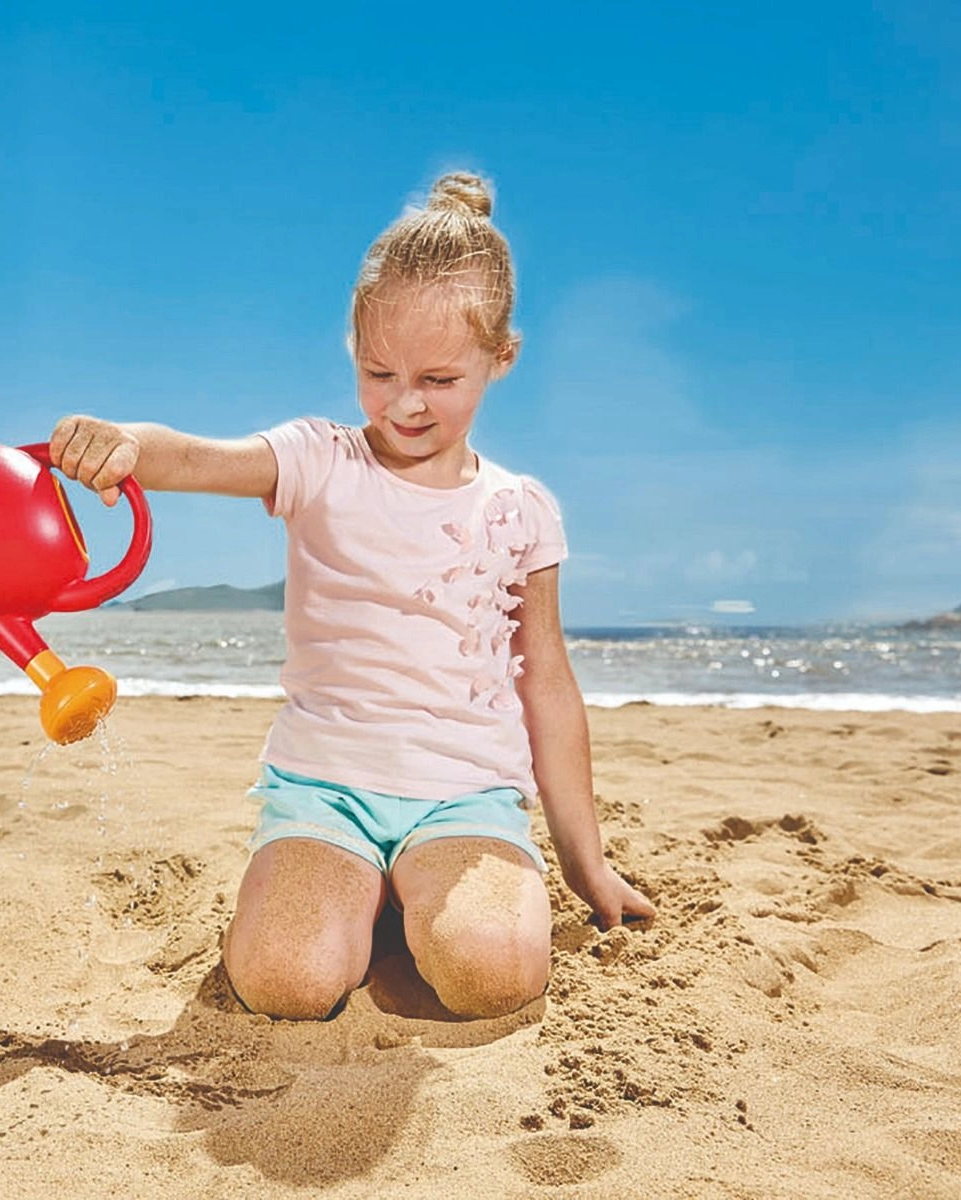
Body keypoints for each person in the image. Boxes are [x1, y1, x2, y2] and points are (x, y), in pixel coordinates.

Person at [48, 171, 655, 1022]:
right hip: (322, 787)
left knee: (495, 977)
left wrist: (585, 862)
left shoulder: (521, 510)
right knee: (284, 983)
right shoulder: (318, 460)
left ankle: (417, 897)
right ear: (352, 350)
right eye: (380, 372)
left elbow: (546, 683)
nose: (406, 403)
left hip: (464, 793)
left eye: (440, 380)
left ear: (501, 358)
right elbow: (191, 457)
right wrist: (118, 444)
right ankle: (348, 893)